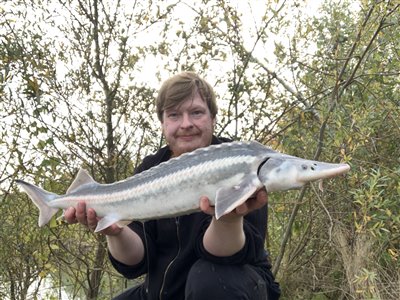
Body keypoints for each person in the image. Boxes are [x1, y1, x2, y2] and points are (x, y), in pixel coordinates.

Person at [64, 71, 281, 299]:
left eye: (196, 113)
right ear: (163, 123)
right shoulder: (151, 167)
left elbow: (225, 256)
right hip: (165, 290)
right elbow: (138, 261)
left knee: (207, 278)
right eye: (175, 115)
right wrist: (115, 231)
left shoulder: (242, 161)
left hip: (235, 283)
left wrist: (228, 218)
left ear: (213, 118)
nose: (186, 124)